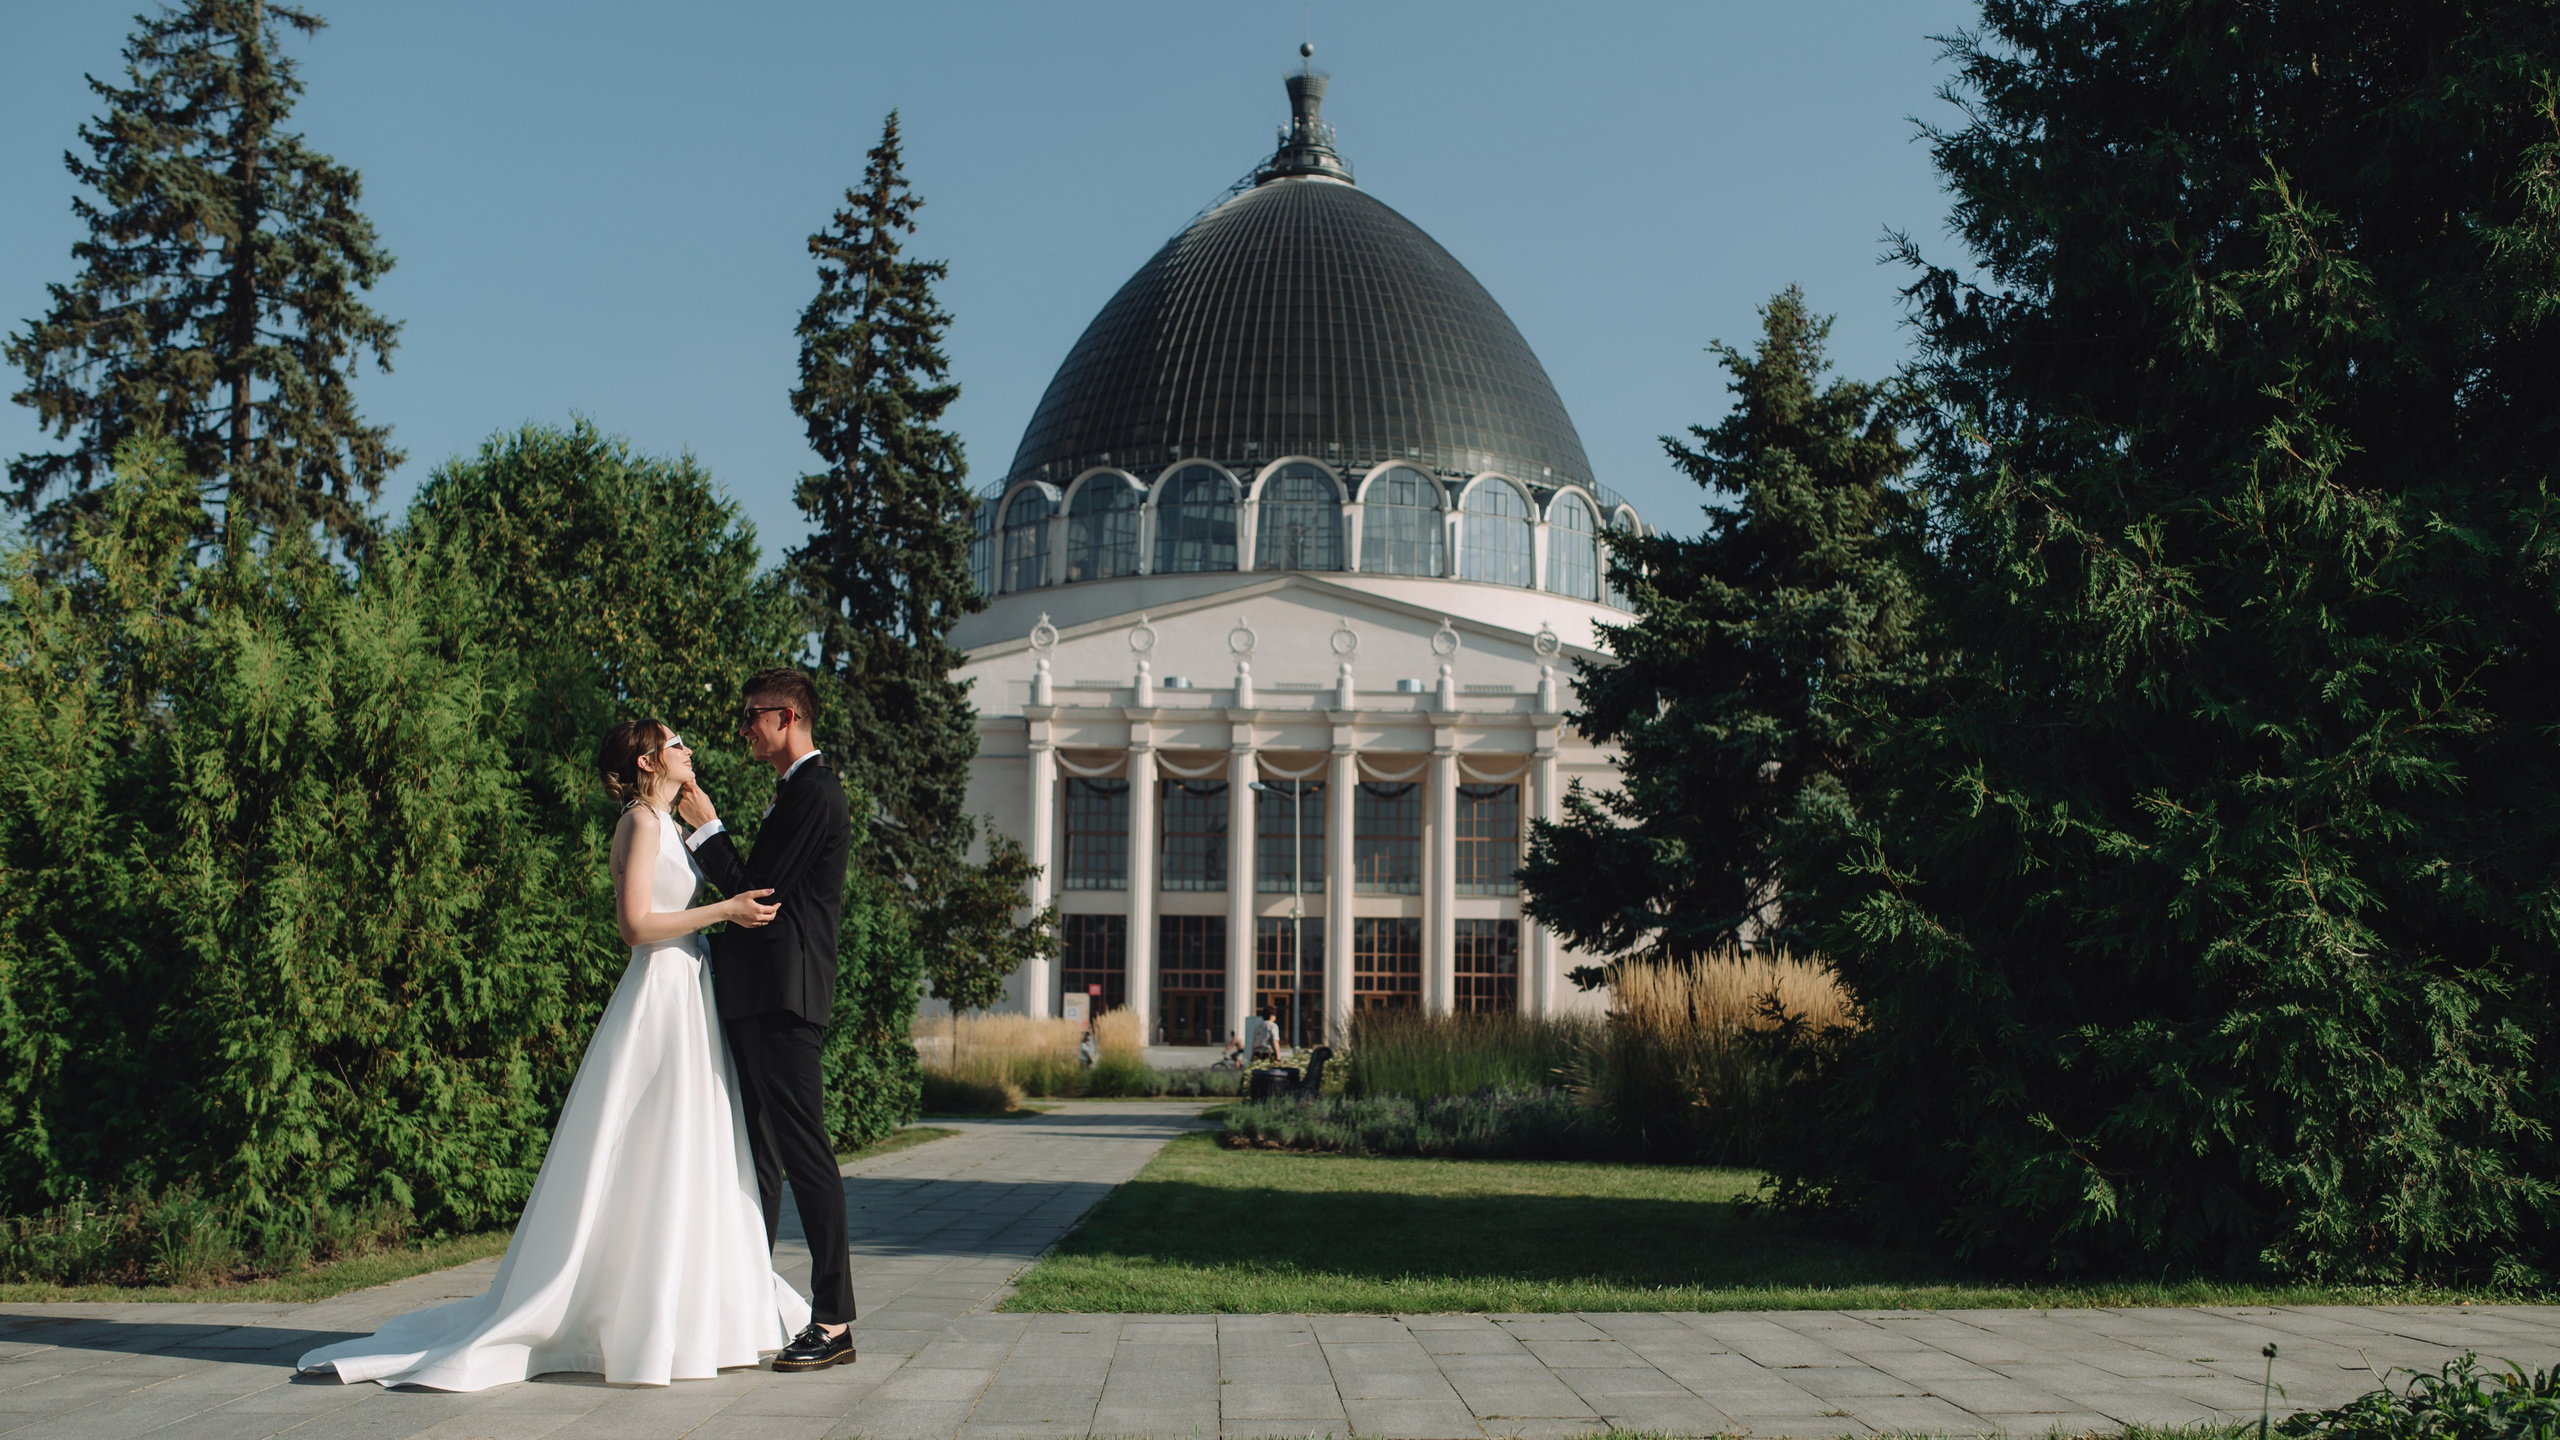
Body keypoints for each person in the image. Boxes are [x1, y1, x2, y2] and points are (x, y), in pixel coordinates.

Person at [298, 719, 803, 1390]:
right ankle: (631, 1318)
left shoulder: (665, 824)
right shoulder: (640, 824)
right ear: (648, 761)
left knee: (685, 1145)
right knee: (650, 1143)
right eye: (676, 742)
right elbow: (635, 926)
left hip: (688, 991)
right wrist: (723, 911)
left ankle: (689, 1312)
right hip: (660, 992)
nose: (689, 750)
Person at [676, 668, 858, 1373]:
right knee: (759, 1157)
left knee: (803, 1151)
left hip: (787, 998)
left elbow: (759, 894)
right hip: (757, 996)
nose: (743, 728)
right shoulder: (792, 791)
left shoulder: (816, 792)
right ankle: (750, 1301)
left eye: (751, 715)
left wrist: (706, 825)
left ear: (787, 717)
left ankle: (834, 1320)